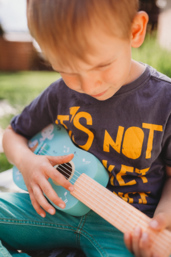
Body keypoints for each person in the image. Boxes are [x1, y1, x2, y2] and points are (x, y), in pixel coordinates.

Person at [1, 0, 171, 256]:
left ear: (135, 31)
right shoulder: (59, 93)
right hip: (55, 210)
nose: (89, 86)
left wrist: (160, 223)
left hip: (125, 226)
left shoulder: (164, 100)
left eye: (102, 65)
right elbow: (12, 133)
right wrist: (27, 162)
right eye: (67, 70)